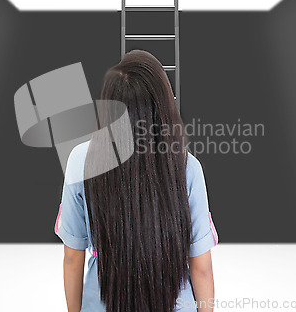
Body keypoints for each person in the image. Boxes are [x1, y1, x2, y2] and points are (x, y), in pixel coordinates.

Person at [54, 50, 218, 311]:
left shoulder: (80, 161)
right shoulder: (187, 167)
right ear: (164, 104)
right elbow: (201, 268)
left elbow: (73, 257)